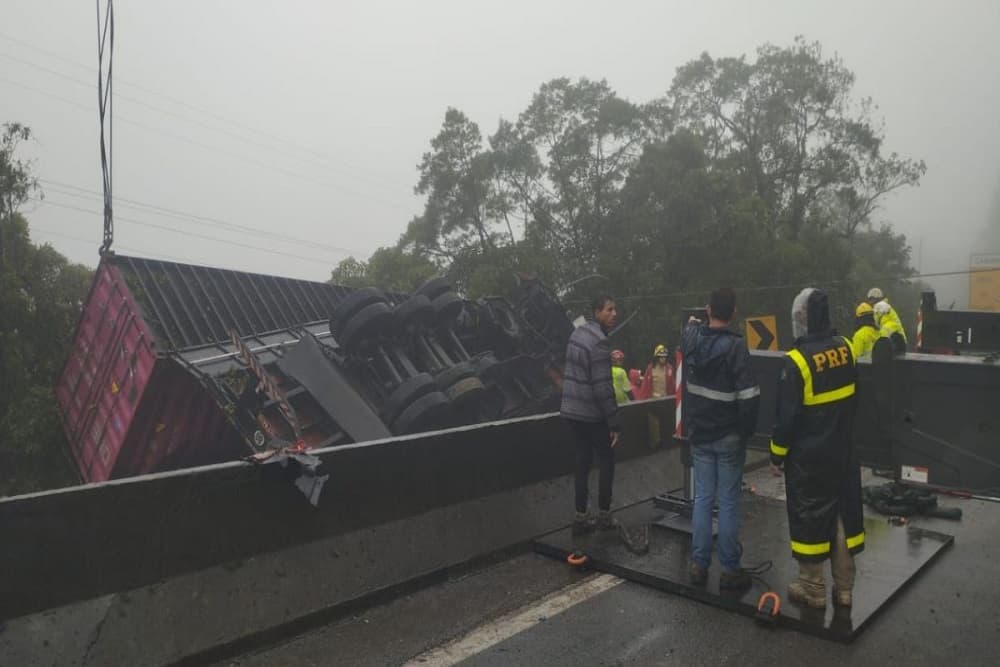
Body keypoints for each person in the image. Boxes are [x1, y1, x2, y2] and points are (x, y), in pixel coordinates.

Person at [770, 288, 864, 609]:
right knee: (841, 515)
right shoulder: (847, 348)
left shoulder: (796, 361)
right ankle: (845, 588)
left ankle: (813, 587)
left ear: (805, 319)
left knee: (810, 515)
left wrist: (776, 454)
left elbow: (787, 419)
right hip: (843, 451)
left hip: (809, 460)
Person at [681, 288, 760, 589]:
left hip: (700, 434)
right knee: (727, 501)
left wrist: (693, 323)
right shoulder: (735, 347)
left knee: (702, 498)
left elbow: (688, 335)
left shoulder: (693, 339)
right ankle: (729, 569)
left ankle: (699, 565)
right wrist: (746, 431)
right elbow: (749, 396)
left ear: (708, 309)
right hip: (728, 435)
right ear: (734, 313)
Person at [560, 294, 621, 535]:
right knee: (606, 459)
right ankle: (604, 515)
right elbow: (602, 387)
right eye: (609, 310)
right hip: (591, 414)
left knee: (582, 461)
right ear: (597, 313)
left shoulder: (577, 333)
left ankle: (580, 517)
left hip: (571, 411)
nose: (614, 314)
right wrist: (614, 421)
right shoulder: (599, 343)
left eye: (614, 309)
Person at [866, 287, 907, 353]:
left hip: (897, 342)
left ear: (875, 298)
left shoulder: (880, 305)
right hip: (900, 342)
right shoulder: (884, 306)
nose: (870, 302)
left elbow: (882, 345)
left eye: (871, 299)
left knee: (882, 339)